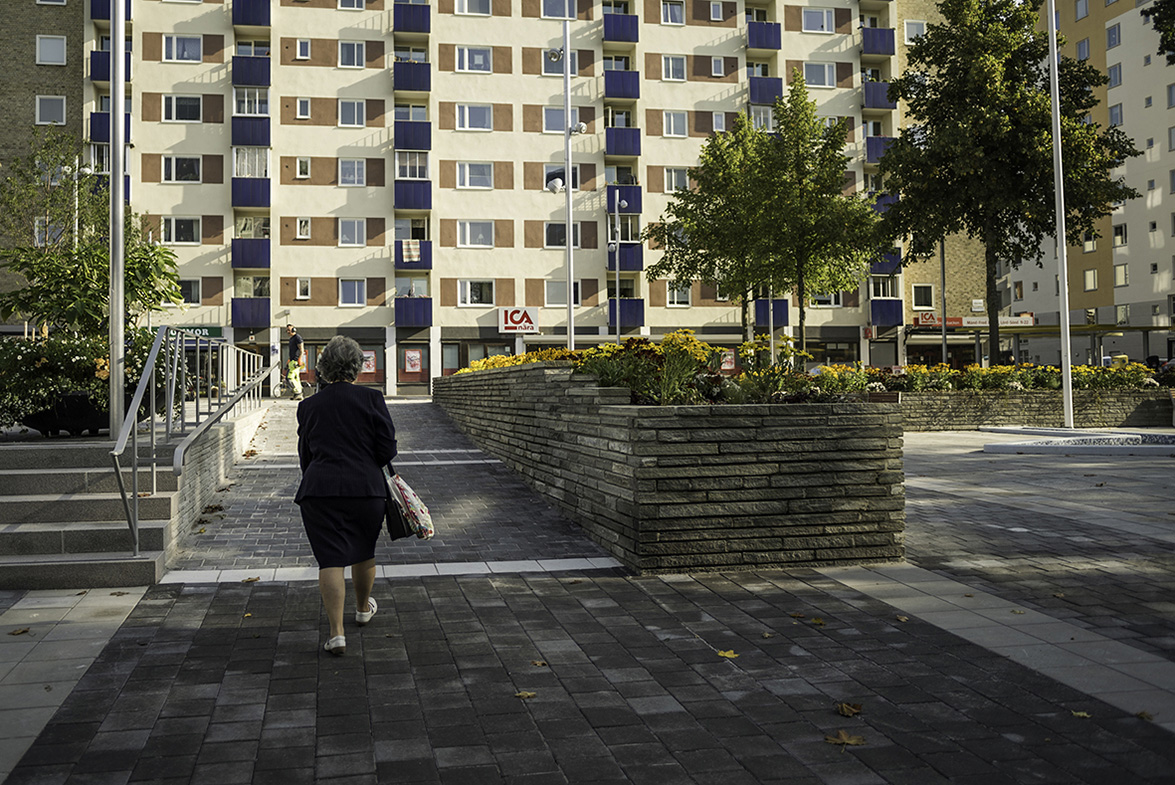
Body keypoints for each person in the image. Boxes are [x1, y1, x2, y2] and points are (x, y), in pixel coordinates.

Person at [294, 335, 397, 655]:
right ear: (358, 367)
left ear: (322, 369)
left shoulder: (308, 405)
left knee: (331, 559)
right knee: (364, 550)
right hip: (366, 489)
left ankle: (337, 633)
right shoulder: (372, 399)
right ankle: (363, 609)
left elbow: (305, 454)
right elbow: (387, 449)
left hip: (319, 490)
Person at [286, 324, 306, 401]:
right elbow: (292, 351)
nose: (287, 331)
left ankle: (297, 392)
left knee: (289, 378)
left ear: (294, 330)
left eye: (289, 330)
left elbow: (302, 350)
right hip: (292, 361)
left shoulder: (297, 337)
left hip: (296, 361)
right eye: (287, 330)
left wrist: (300, 359)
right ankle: (298, 394)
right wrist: (289, 360)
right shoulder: (291, 339)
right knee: (296, 378)